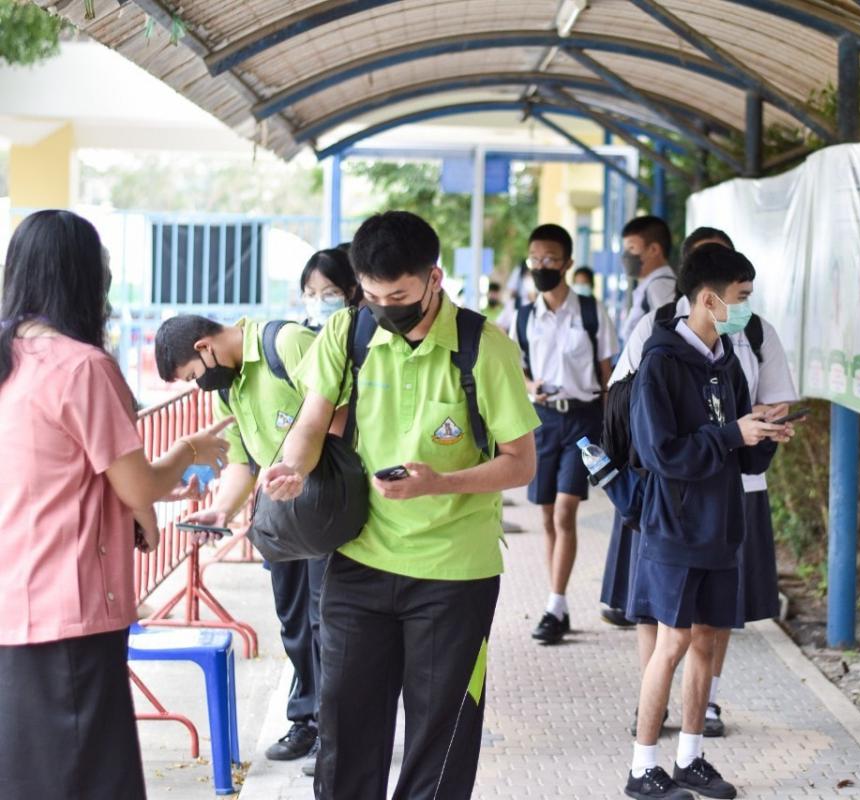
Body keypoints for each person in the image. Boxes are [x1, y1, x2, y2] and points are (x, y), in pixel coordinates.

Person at [261, 211, 540, 800]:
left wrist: (440, 483)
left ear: (434, 279)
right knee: (345, 729)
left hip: (454, 575)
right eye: (373, 295)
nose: (386, 308)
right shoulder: (349, 331)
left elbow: (520, 462)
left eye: (400, 297)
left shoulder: (484, 347)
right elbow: (312, 421)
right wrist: (293, 466)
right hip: (359, 559)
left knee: (440, 740)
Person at [0, 210, 231, 800]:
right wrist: (189, 450)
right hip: (67, 606)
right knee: (88, 777)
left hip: (12, 601)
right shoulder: (81, 366)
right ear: (83, 276)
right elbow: (139, 487)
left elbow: (53, 474)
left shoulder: (10, 362)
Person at [607, 227, 799, 739]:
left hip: (722, 520)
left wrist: (766, 433)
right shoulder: (660, 360)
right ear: (709, 299)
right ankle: (645, 761)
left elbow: (746, 459)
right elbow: (661, 453)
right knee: (672, 641)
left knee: (708, 637)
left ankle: (691, 756)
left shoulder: (729, 360)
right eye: (741, 297)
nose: (746, 309)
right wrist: (733, 433)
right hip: (673, 522)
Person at [154, 312, 327, 767]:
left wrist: (300, 465)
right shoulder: (227, 386)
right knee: (294, 622)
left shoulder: (286, 343)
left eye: (193, 375)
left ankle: (337, 730)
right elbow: (242, 462)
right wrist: (222, 510)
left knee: (327, 620)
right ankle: (307, 720)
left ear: (204, 347)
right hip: (280, 515)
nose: (199, 386)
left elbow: (341, 411)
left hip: (327, 505)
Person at [510, 224, 618, 644]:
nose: (541, 266)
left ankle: (553, 605)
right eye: (535, 259)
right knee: (546, 515)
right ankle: (560, 602)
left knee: (564, 511)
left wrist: (612, 428)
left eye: (550, 259)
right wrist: (529, 386)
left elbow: (608, 376)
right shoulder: (523, 316)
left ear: (567, 263)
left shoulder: (591, 311)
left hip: (583, 421)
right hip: (541, 421)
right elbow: (516, 369)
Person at [620, 215, 677, 342]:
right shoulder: (651, 285)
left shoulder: (660, 286)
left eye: (631, 248)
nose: (626, 256)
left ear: (654, 250)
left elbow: (669, 336)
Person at [301, 248, 361, 329]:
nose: (319, 305)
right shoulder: (299, 333)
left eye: (329, 294)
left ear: (351, 291)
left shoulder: (363, 331)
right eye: (311, 294)